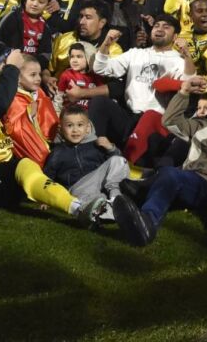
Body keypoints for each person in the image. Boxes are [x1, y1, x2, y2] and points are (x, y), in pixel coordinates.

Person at [0, 55, 108, 224]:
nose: (0, 94)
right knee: (25, 165)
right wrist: (12, 68)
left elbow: (1, 130)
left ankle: (104, 206)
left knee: (56, 164)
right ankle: (78, 208)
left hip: (5, 175)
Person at [113, 84, 207, 251]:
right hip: (194, 182)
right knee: (170, 174)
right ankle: (147, 222)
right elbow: (169, 121)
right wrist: (183, 93)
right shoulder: (201, 125)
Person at [89, 14, 191, 147]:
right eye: (156, 26)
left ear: (175, 36)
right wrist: (106, 43)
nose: (159, 29)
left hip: (155, 123)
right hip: (129, 116)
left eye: (166, 27)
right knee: (99, 102)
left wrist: (187, 54)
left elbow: (189, 84)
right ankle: (93, 148)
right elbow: (100, 68)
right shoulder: (135, 54)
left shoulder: (179, 61)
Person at [44, 104, 130, 220]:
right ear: (61, 129)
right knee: (94, 200)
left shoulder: (96, 145)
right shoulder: (58, 152)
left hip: (100, 182)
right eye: (69, 125)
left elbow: (116, 167)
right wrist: (46, 198)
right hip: (77, 187)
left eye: (80, 125)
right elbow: (48, 178)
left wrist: (110, 148)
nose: (75, 130)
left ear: (87, 127)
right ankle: (104, 212)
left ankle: (116, 199)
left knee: (118, 160)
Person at [3, 54, 58, 167]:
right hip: (31, 157)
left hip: (52, 146)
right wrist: (29, 114)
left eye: (39, 74)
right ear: (18, 77)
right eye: (33, 75)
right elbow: (16, 130)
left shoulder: (39, 91)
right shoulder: (14, 99)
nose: (38, 78)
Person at [0, 0, 57, 69]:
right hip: (8, 65)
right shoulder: (12, 17)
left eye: (41, 2)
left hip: (31, 69)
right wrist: (12, 55)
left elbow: (46, 55)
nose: (35, 4)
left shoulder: (45, 26)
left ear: (47, 4)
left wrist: (30, 63)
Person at [56, 43, 103, 110]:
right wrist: (57, 112)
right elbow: (59, 97)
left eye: (79, 57)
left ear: (89, 57)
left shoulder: (96, 76)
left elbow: (102, 96)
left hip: (91, 112)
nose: (74, 60)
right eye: (72, 56)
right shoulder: (66, 75)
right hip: (71, 112)